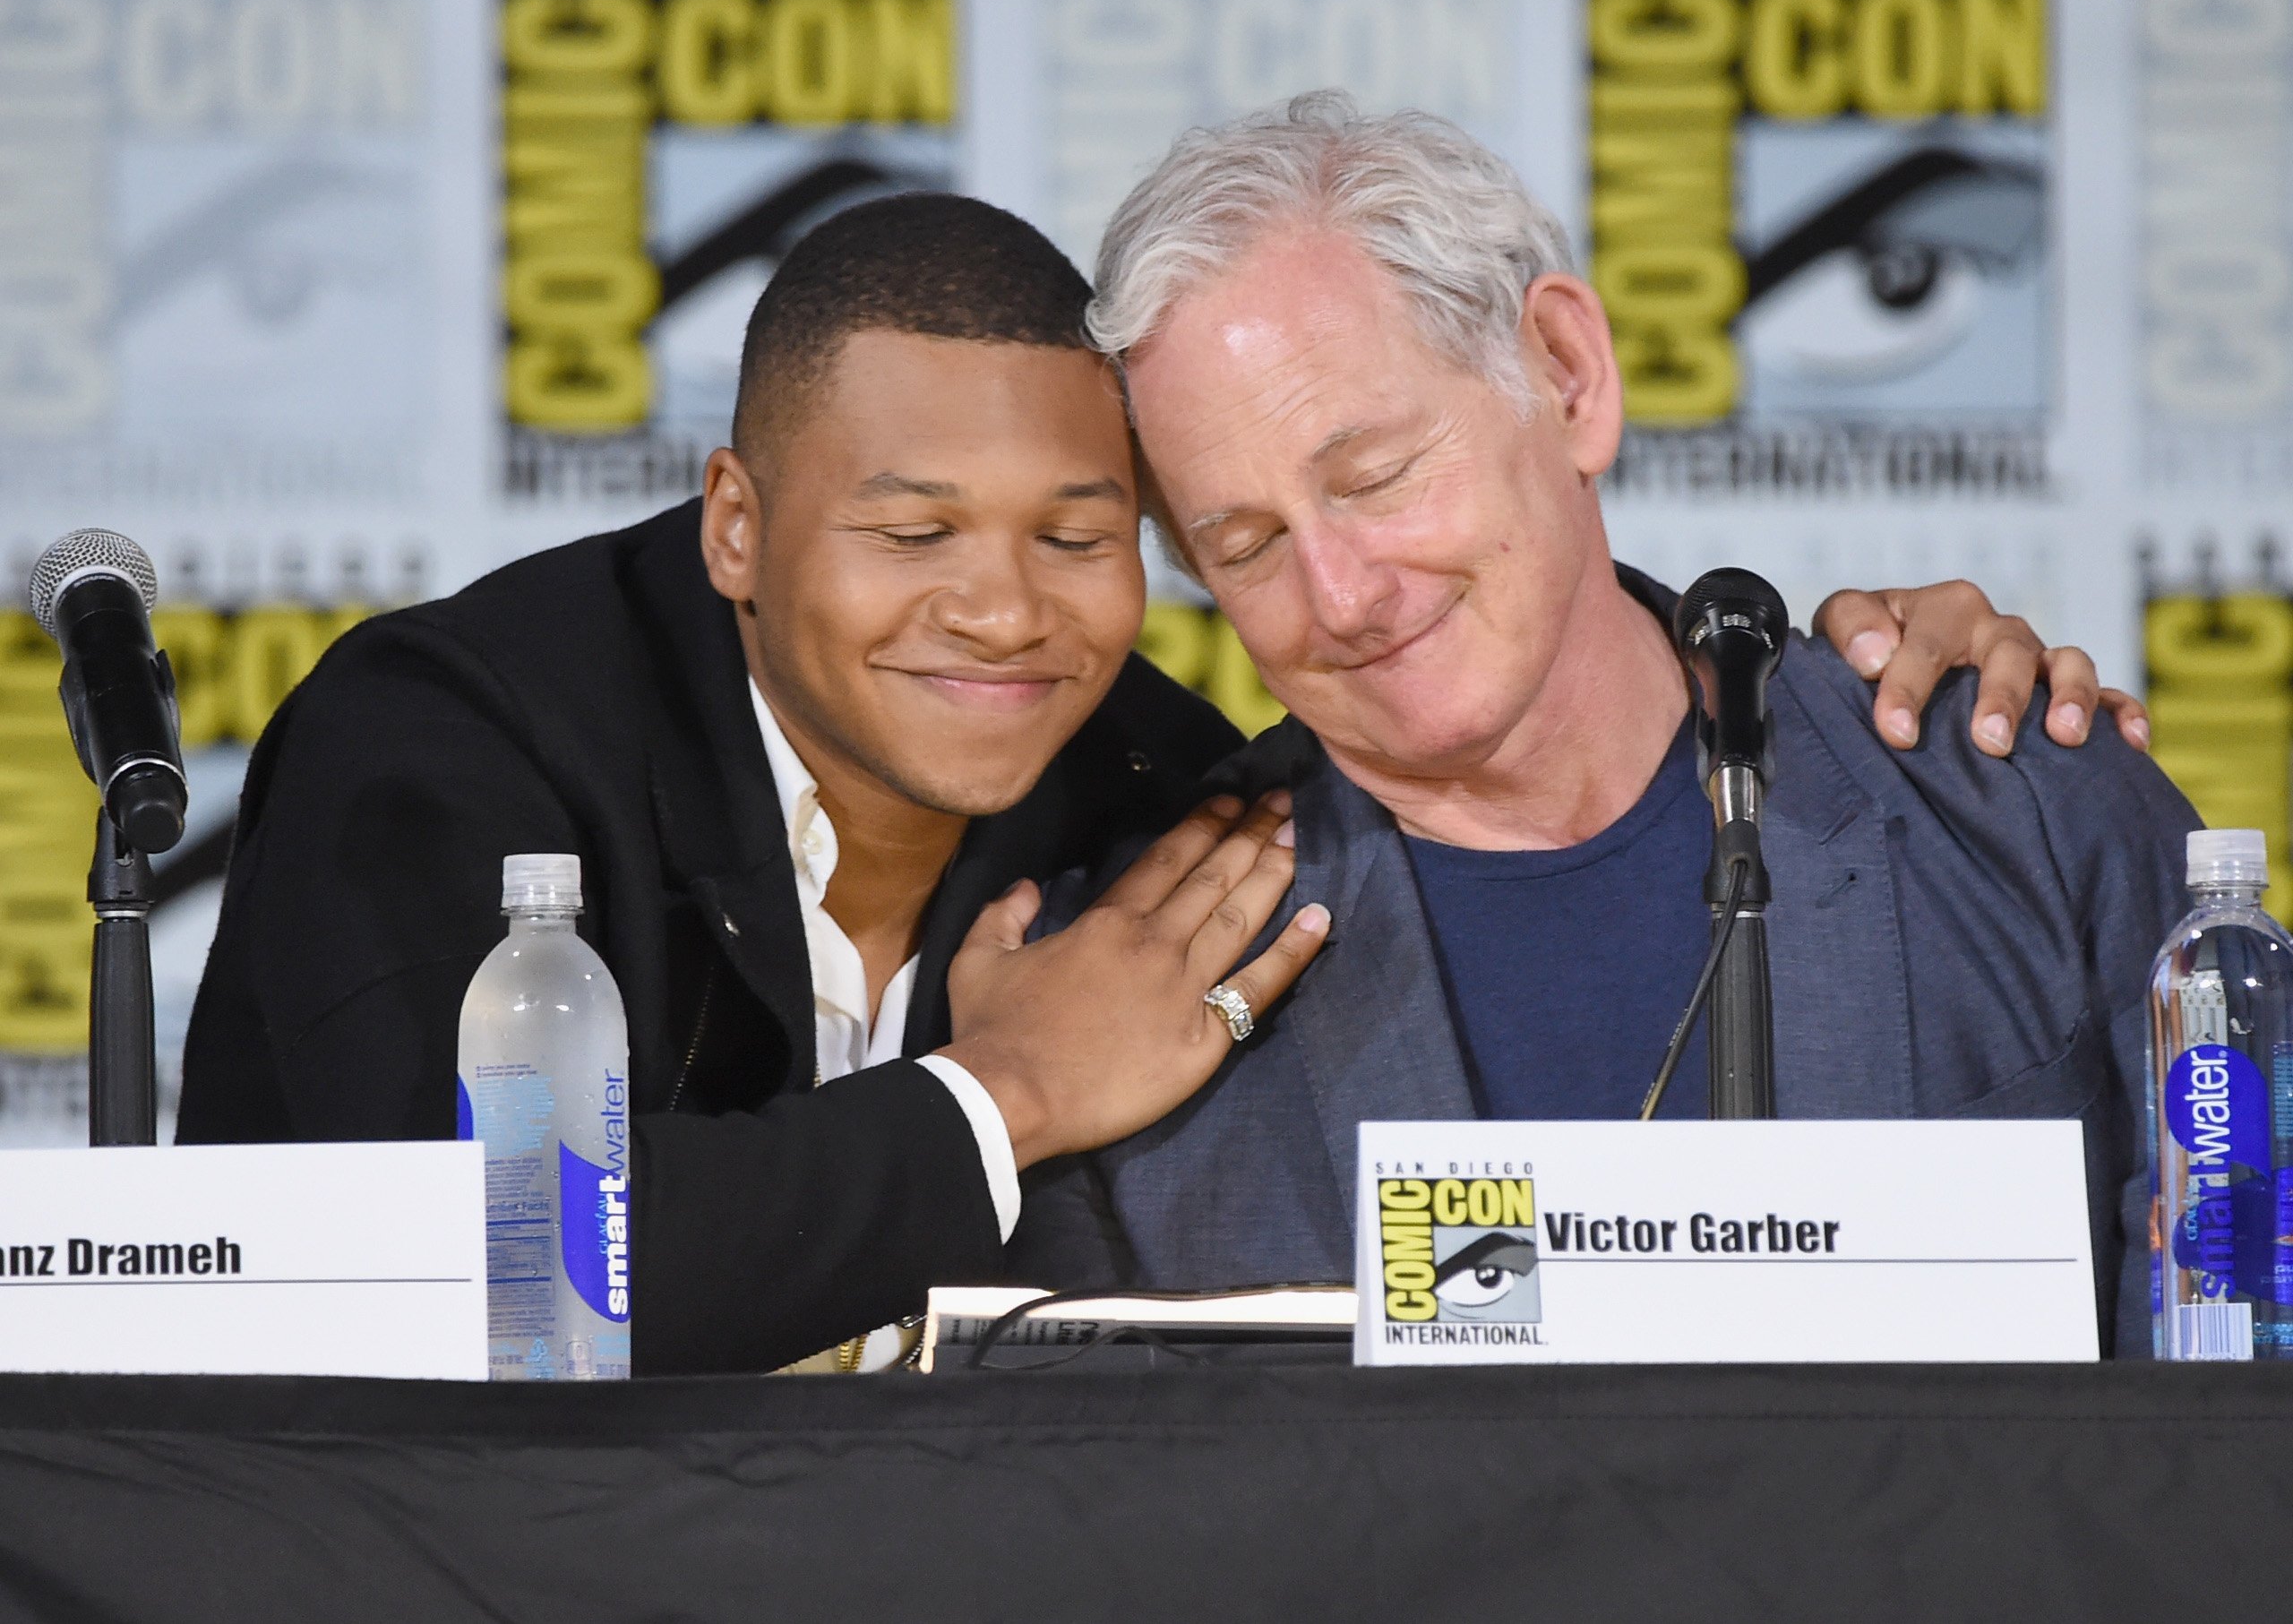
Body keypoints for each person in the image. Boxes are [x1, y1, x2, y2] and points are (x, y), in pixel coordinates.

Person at [176, 191, 2142, 1376]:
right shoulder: (426, 745)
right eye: (913, 527)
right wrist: (1005, 1096)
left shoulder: (1161, 802)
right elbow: (477, 1278)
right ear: (736, 524)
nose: (1001, 612)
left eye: (1081, 532)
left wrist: (1821, 673)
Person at [1009, 95, 2194, 1357]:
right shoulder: (1128, 998)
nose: (1343, 597)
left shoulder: (2023, 804)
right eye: (1247, 548)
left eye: (1376, 478)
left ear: (1567, 376)